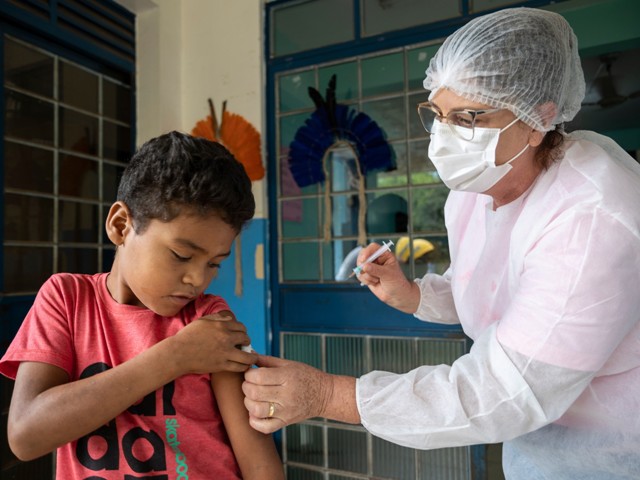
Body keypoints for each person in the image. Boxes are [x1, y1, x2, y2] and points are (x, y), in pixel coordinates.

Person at [242, 7, 640, 479]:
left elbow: (506, 391)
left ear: (539, 119)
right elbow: (495, 289)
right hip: (538, 448)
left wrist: (329, 396)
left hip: (617, 451)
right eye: (439, 114)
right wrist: (412, 294)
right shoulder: (473, 194)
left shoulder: (592, 217)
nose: (445, 137)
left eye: (469, 117)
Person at [0, 132, 284, 479]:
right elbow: (25, 435)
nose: (198, 279)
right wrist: (174, 356)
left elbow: (260, 466)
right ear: (121, 226)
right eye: (182, 255)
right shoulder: (66, 299)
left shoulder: (209, 322)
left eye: (214, 263)